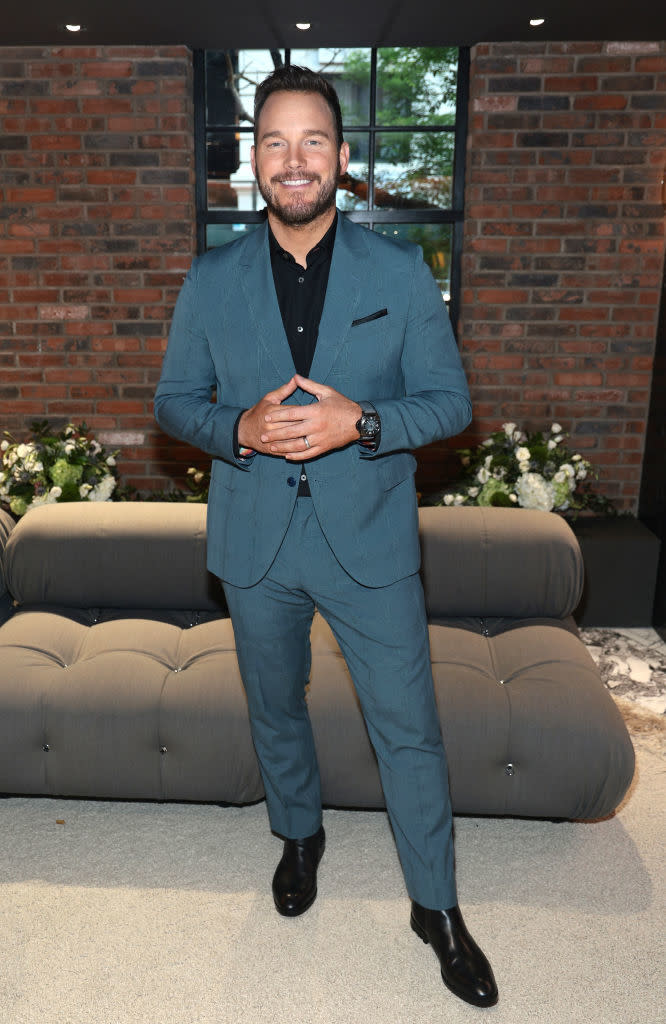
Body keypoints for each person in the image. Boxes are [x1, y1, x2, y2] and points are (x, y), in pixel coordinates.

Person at [154, 65, 497, 1008]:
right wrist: (240, 430)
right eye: (275, 141)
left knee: (410, 731)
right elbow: (174, 402)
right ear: (252, 160)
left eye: (313, 142)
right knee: (276, 708)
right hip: (256, 539)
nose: (293, 160)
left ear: (343, 162)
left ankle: (437, 907)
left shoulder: (398, 272)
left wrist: (366, 422)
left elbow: (451, 404)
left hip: (371, 541)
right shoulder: (211, 277)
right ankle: (298, 835)